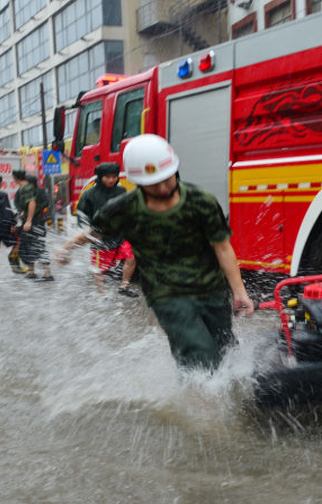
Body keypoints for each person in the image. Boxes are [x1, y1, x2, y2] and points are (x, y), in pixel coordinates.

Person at [56, 134, 254, 371]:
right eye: (152, 183)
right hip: (167, 295)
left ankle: (226, 393)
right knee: (199, 355)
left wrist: (239, 291)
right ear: (138, 182)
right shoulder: (123, 209)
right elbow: (92, 233)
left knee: (225, 348)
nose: (161, 188)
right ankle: (198, 402)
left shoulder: (201, 201)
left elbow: (222, 247)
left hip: (212, 289)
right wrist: (66, 249)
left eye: (166, 179)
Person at [76, 162, 137, 295]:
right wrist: (87, 231)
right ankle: (101, 294)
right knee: (100, 269)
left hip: (120, 234)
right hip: (100, 237)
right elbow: (81, 215)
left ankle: (124, 287)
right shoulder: (89, 195)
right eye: (107, 177)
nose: (111, 180)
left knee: (130, 257)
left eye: (114, 176)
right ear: (100, 177)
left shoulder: (121, 191)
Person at [13, 170, 53, 281]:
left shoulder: (39, 191)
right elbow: (16, 202)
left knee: (39, 245)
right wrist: (21, 211)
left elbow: (45, 202)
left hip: (37, 221)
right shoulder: (21, 191)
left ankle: (47, 273)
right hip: (26, 222)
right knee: (27, 246)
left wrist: (34, 211)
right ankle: (31, 271)